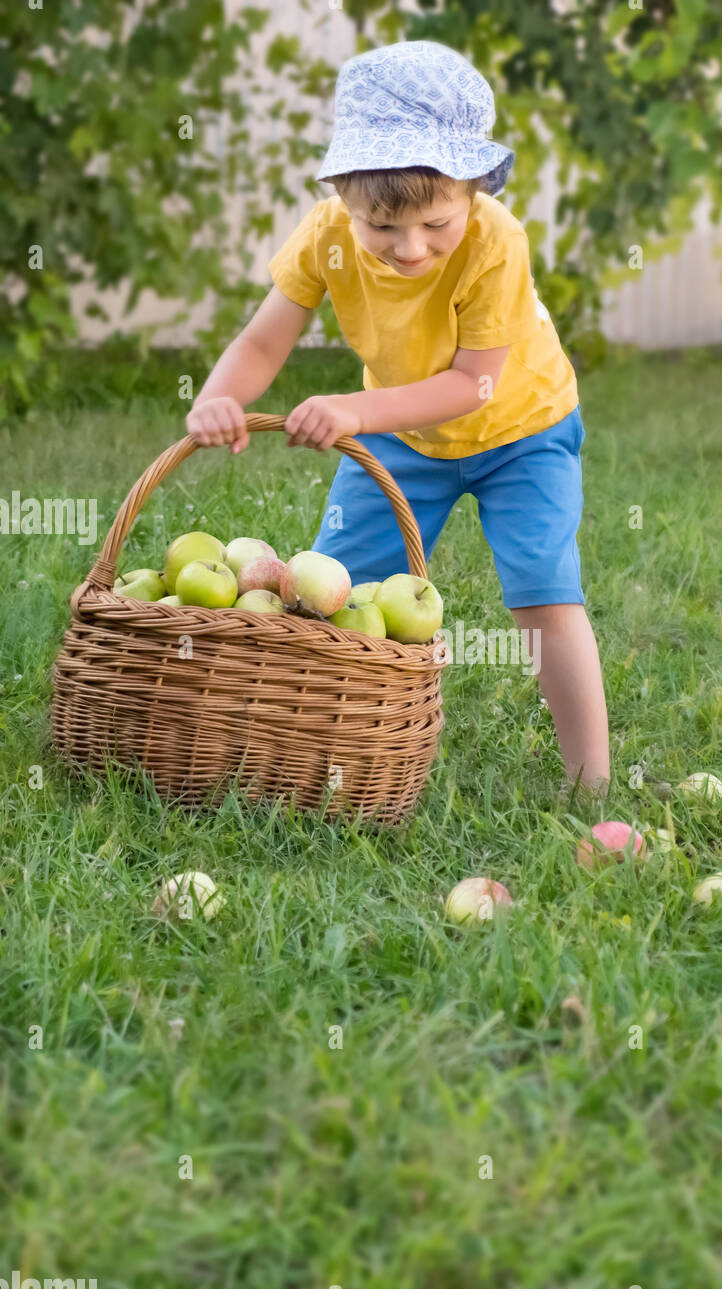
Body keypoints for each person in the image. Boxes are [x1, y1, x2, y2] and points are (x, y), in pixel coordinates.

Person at [186, 40, 609, 798]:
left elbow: (475, 385)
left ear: (473, 189)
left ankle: (594, 781)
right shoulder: (325, 236)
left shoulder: (494, 240)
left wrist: (353, 409)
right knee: (332, 593)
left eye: (434, 224)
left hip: (524, 432)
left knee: (544, 586)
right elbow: (262, 340)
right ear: (344, 196)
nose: (409, 248)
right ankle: (325, 756)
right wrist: (221, 397)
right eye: (380, 229)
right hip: (399, 439)